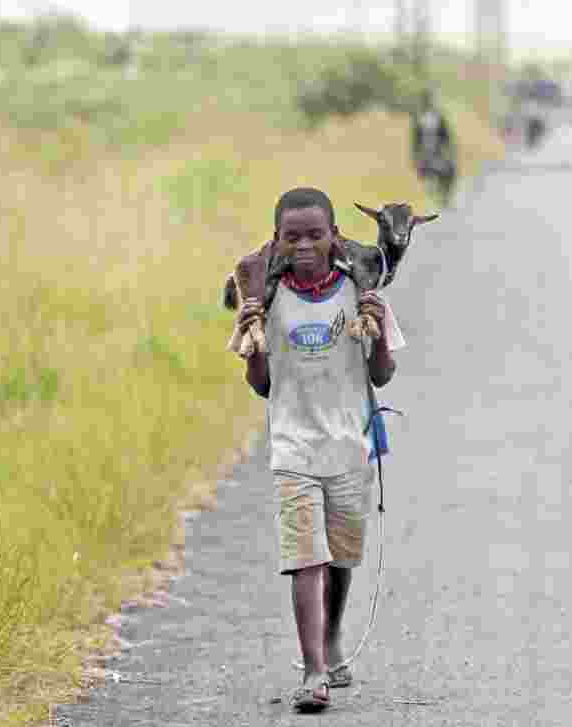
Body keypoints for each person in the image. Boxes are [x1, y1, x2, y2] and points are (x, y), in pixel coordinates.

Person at [235, 187, 404, 713]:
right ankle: (313, 670)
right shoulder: (267, 300)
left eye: (315, 235)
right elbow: (262, 385)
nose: (304, 245)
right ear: (277, 241)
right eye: (293, 237)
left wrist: (378, 330)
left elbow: (382, 374)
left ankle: (331, 639)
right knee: (306, 558)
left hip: (350, 445)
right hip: (293, 449)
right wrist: (251, 335)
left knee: (341, 557)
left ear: (336, 237)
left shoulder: (359, 292)